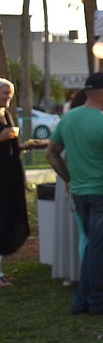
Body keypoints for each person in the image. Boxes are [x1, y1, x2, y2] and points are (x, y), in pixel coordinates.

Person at [47, 72, 103, 314]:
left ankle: (83, 298)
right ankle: (97, 299)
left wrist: (69, 178)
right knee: (99, 249)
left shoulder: (68, 119)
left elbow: (51, 153)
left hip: (80, 192)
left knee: (93, 246)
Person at [0, 78, 30, 286]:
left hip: (9, 176)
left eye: (10, 94)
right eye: (4, 93)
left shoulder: (6, 114)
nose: (8, 98)